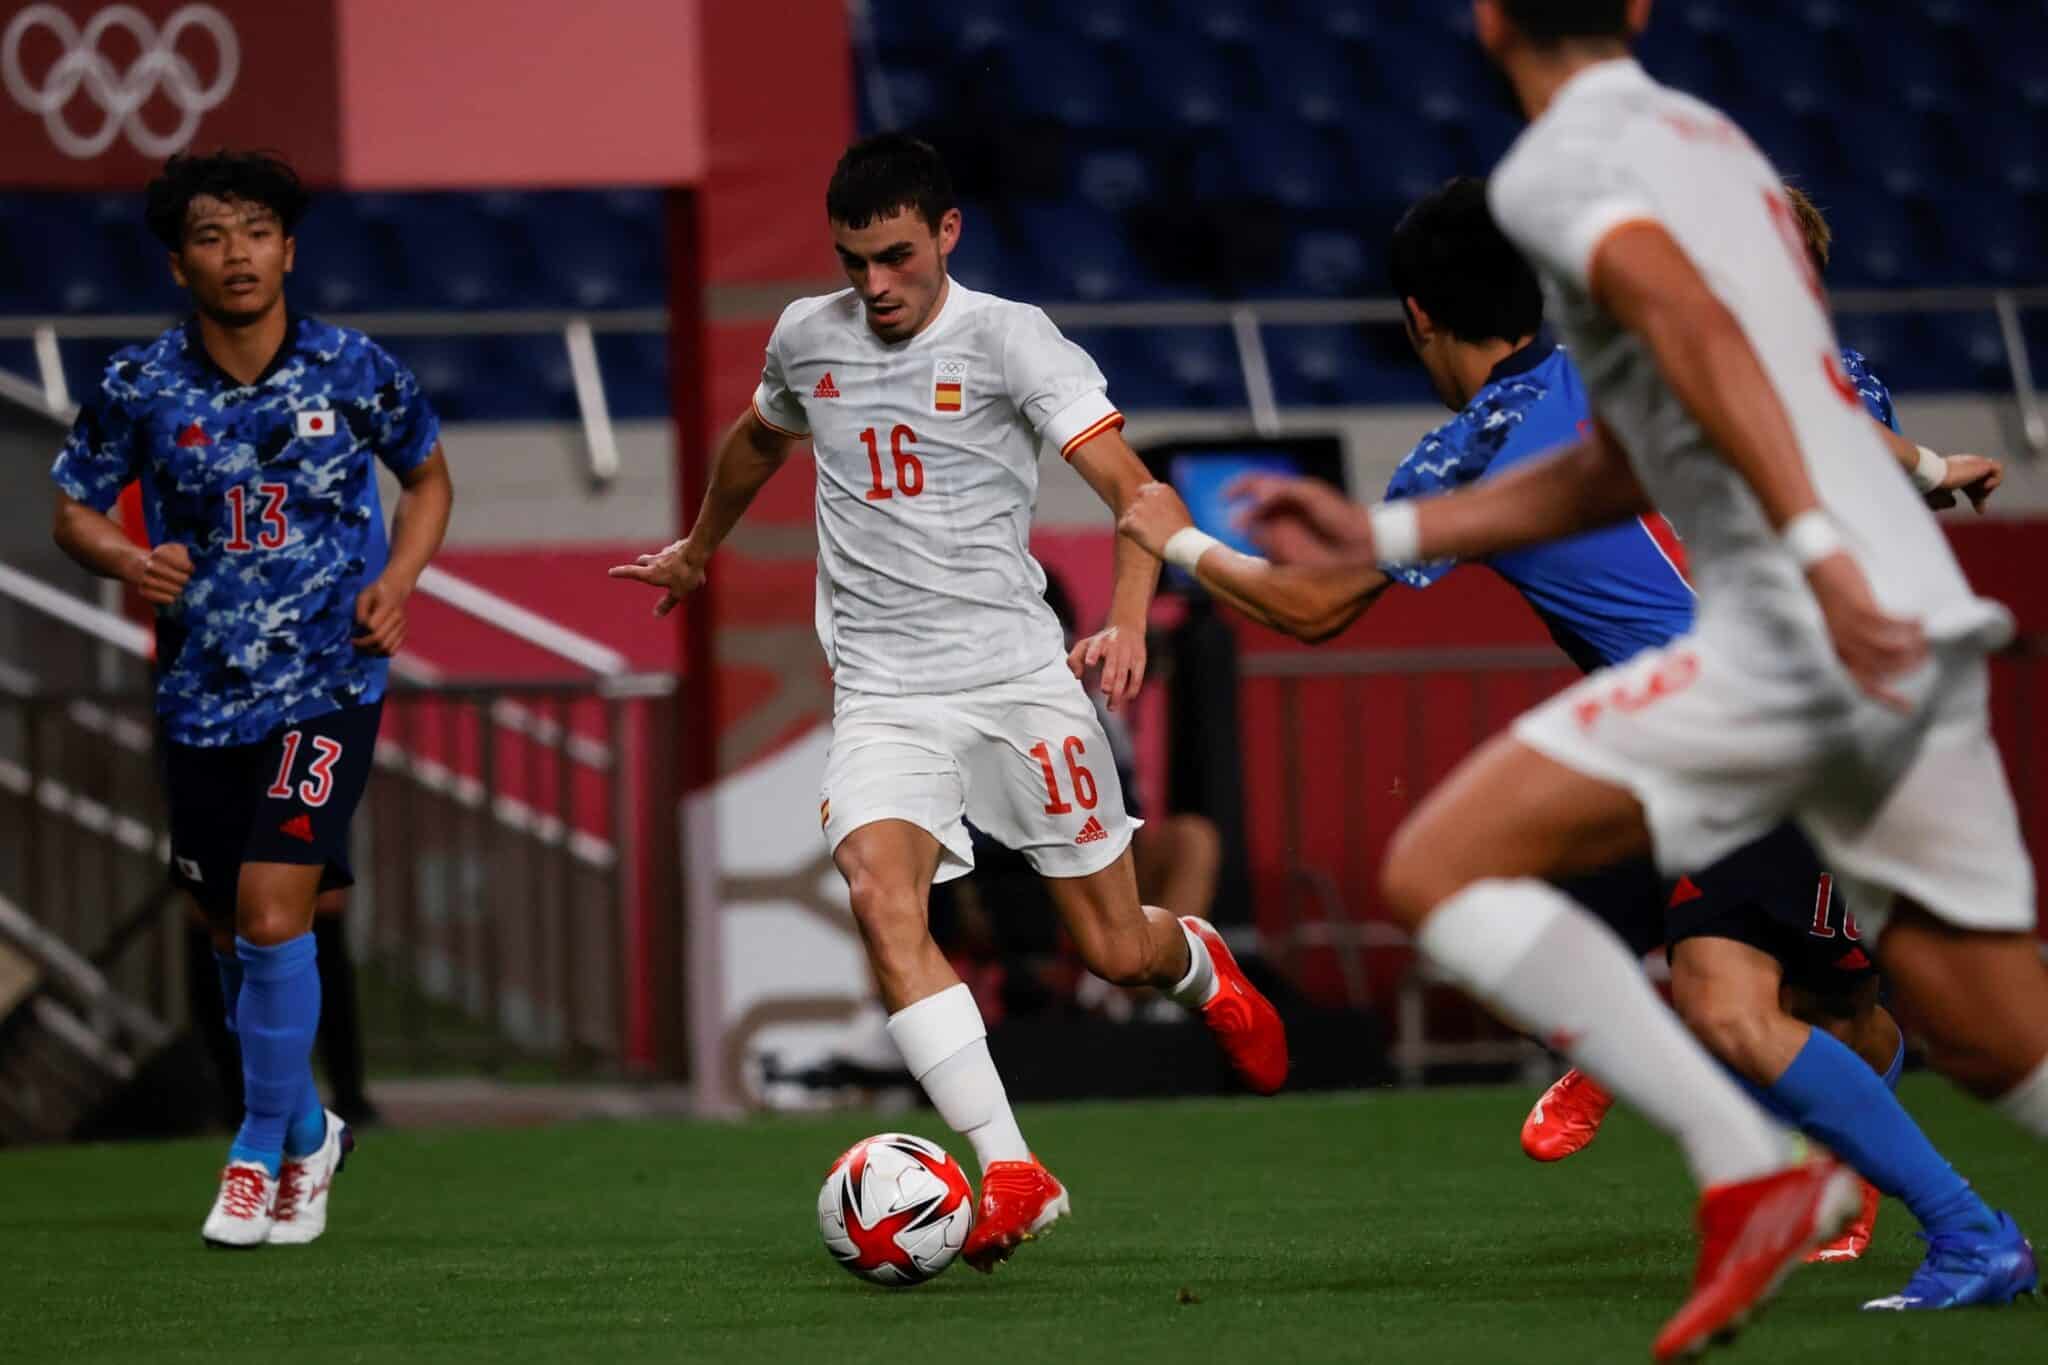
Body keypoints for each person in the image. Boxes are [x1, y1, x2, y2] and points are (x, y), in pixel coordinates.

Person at [1128, 3, 2047, 1354]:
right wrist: (1914, 479)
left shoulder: (1555, 197)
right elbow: (1768, 389)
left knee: (1498, 889)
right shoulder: (1713, 148)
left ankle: (1783, 1166)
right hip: (1878, 663)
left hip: (1783, 675)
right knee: (1977, 1034)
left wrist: (1176, 532)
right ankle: (1819, 1167)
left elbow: (1321, 613)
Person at [609, 134, 1286, 1270]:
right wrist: (697, 547)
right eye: (852, 261)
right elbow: (756, 439)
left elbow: (1139, 491)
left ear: (946, 234)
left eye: (894, 257)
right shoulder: (804, 335)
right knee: (881, 895)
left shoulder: (1009, 339)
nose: (873, 285)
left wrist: (1123, 616)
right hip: (883, 694)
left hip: (1019, 684)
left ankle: (1195, 962)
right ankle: (1011, 1164)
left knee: (1113, 950)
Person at [49, 151, 452, 1248]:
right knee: (229, 931)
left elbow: (428, 475)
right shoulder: (141, 384)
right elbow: (71, 509)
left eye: (258, 230)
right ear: (180, 261)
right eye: (215, 235)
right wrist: (127, 560)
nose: (239, 253)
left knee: (280, 911)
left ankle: (258, 1147)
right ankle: (310, 1127)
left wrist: (398, 580)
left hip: (328, 684)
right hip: (198, 696)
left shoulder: (352, 367)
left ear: (288, 247)